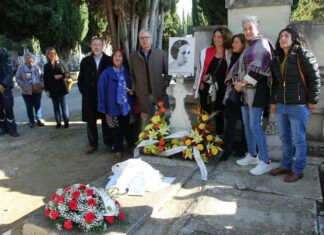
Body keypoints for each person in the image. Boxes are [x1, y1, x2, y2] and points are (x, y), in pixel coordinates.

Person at [269, 27, 320, 182]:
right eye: (280, 36)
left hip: (298, 105)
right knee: (284, 137)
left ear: (294, 38)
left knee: (299, 139)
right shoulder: (277, 58)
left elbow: (314, 77)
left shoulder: (303, 54)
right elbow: (275, 83)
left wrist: (313, 100)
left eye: (286, 35)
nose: (283, 38)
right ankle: (286, 165)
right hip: (281, 105)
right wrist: (273, 101)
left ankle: (298, 170)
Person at [232, 15, 274, 175]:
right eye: (245, 29)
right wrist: (239, 84)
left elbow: (258, 71)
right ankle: (253, 155)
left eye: (251, 28)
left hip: (257, 93)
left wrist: (241, 84)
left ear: (257, 29)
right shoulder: (249, 46)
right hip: (246, 94)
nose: (248, 31)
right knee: (248, 125)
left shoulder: (261, 44)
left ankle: (265, 161)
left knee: (255, 126)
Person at [129, 29, 171, 132]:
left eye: (147, 37)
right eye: (142, 38)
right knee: (145, 125)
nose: (144, 40)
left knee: (164, 121)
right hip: (143, 96)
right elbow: (131, 75)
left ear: (151, 39)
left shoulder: (160, 54)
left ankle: (164, 145)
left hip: (159, 94)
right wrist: (134, 88)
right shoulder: (133, 56)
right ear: (139, 40)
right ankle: (145, 147)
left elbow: (168, 72)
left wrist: (164, 85)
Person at [193, 26, 233, 135]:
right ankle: (203, 140)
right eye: (215, 36)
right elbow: (200, 71)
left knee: (219, 115)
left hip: (221, 91)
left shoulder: (229, 54)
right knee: (205, 115)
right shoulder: (206, 52)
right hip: (206, 91)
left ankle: (218, 140)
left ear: (225, 38)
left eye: (220, 36)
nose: (217, 39)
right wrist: (198, 84)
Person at [77, 37, 113, 154]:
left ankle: (108, 143)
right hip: (89, 97)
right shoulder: (85, 61)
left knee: (106, 121)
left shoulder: (109, 60)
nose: (97, 47)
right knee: (91, 121)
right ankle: (93, 144)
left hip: (105, 97)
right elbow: (80, 80)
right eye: (94, 45)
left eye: (99, 44)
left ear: (103, 46)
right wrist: (85, 93)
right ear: (91, 46)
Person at [98, 49, 135, 159]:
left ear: (123, 59)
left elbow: (132, 86)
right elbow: (101, 90)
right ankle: (118, 149)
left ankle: (132, 146)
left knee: (128, 128)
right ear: (112, 58)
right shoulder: (106, 73)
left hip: (126, 106)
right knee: (115, 130)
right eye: (115, 56)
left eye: (120, 56)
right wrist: (102, 106)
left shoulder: (127, 72)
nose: (117, 58)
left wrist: (132, 91)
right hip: (112, 107)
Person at [221, 33, 247, 161]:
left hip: (243, 96)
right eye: (233, 42)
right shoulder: (232, 57)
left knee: (245, 125)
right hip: (232, 95)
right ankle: (227, 150)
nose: (233, 44)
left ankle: (243, 150)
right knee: (230, 124)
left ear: (243, 44)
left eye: (236, 42)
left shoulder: (246, 57)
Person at [16, 52, 45, 128]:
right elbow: (17, 78)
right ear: (24, 59)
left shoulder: (36, 67)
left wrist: (41, 85)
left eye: (30, 57)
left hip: (37, 90)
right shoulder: (21, 68)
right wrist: (23, 85)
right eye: (27, 58)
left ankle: (39, 120)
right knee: (29, 106)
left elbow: (42, 77)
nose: (28, 59)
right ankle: (31, 121)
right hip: (26, 91)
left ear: (32, 58)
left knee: (37, 105)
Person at [43, 48, 70, 129]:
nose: (51, 55)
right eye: (49, 54)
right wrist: (47, 90)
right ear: (47, 56)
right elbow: (45, 79)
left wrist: (61, 75)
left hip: (62, 88)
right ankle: (58, 122)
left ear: (55, 54)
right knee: (55, 107)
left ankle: (66, 122)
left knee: (64, 106)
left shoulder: (60, 63)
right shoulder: (46, 66)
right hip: (52, 89)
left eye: (52, 53)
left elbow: (68, 74)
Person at [0, 48, 19, 137]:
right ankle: (3, 128)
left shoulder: (5, 57)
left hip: (5, 89)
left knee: (8, 108)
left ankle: (12, 128)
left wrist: (3, 85)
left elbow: (9, 73)